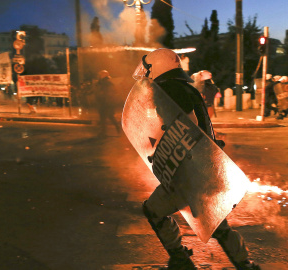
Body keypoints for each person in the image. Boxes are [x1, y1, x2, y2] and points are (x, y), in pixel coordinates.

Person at [132, 48, 260, 270]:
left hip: (189, 170)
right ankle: (244, 264)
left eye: (149, 68)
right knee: (218, 223)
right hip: (203, 166)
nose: (147, 72)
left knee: (153, 210)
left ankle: (181, 259)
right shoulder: (184, 87)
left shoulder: (170, 90)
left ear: (158, 67)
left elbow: (188, 127)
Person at [94, 70, 121, 136]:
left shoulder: (108, 82)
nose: (100, 76)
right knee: (104, 118)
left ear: (104, 75)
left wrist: (103, 95)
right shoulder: (101, 82)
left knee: (109, 117)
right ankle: (104, 132)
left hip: (107, 103)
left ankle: (117, 128)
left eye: (101, 74)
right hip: (103, 102)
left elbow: (110, 92)